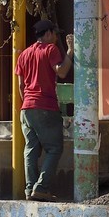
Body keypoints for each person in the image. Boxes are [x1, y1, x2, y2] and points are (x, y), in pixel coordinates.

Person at [16, 20, 73, 202]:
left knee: (31, 149)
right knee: (54, 148)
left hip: (26, 109)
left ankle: (29, 188)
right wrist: (70, 51)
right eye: (55, 34)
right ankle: (41, 188)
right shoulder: (50, 50)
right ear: (47, 34)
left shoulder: (24, 54)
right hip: (45, 106)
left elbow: (20, 85)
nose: (56, 38)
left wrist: (27, 102)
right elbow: (62, 71)